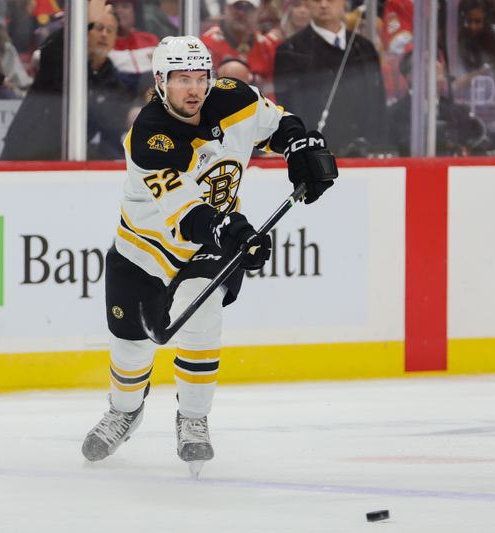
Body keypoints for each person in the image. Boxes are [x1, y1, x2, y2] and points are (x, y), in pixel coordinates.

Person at [81, 35, 336, 474]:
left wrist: (300, 147)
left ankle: (194, 419)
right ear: (160, 82)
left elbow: (277, 123)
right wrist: (232, 230)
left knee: (202, 321)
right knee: (131, 348)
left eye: (201, 77)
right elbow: (187, 211)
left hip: (209, 247)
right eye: (182, 79)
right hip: (144, 248)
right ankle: (126, 410)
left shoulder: (232, 98)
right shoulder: (148, 136)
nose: (194, 89)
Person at [0, 3, 132, 160]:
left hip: (66, 160)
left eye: (110, 31)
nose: (104, 34)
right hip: (23, 153)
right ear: (85, 32)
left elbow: (111, 136)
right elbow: (60, 43)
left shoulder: (113, 82)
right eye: (98, 28)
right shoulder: (60, 57)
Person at [274, 0, 387, 156]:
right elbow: (289, 108)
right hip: (315, 158)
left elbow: (378, 103)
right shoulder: (290, 51)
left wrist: (377, 146)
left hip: (364, 155)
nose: (324, 4)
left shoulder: (364, 48)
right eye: (316, 0)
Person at [388, 50, 495, 156]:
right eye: (427, 62)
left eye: (437, 60)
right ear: (410, 76)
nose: (437, 65)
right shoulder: (392, 115)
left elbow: (487, 140)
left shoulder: (458, 112)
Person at [201, 0, 281, 99]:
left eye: (248, 7)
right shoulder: (207, 45)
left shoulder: (268, 46)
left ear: (258, 12)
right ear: (225, 8)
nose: (241, 13)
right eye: (237, 6)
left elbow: (274, 94)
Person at [452, 0, 495, 100]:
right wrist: (476, 76)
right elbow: (456, 84)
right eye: (469, 21)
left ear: (486, 20)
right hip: (467, 102)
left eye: (477, 21)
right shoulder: (457, 41)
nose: (473, 27)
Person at [108, 0, 160, 94]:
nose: (119, 10)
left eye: (125, 6)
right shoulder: (103, 41)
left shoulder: (150, 40)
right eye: (114, 6)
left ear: (134, 13)